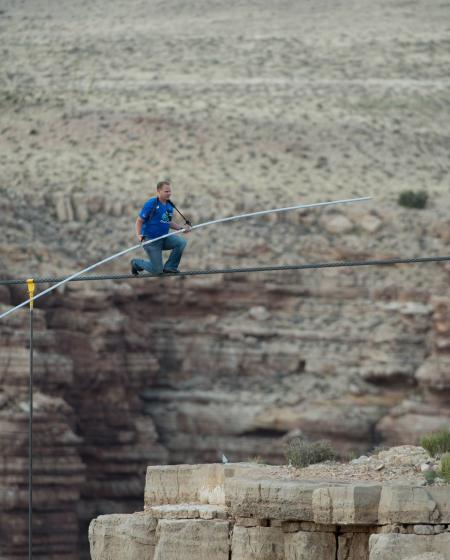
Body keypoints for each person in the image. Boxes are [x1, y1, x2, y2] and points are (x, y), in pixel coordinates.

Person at [131, 180, 191, 275]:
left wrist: (181, 228)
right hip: (150, 240)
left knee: (181, 242)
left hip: (163, 238)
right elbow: (139, 221)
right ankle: (136, 263)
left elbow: (167, 221)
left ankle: (170, 267)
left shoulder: (169, 205)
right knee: (157, 271)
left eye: (170, 191)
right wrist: (139, 235)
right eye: (166, 191)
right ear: (158, 191)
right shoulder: (151, 204)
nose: (169, 193)